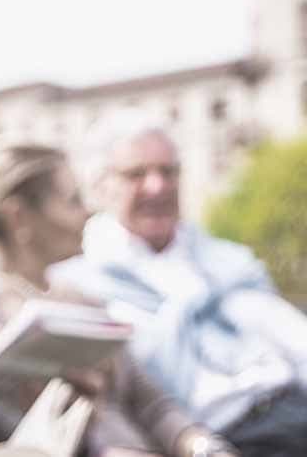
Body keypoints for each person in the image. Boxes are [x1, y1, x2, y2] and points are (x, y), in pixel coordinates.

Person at [0, 135, 236, 457]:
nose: (88, 212)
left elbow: (149, 399)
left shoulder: (76, 295)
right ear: (19, 217)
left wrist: (201, 446)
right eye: (73, 200)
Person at [56, 112, 307, 456]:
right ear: (101, 186)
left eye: (168, 171)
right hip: (218, 438)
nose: (158, 186)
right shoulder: (80, 285)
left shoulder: (226, 261)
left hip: (293, 403)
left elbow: (294, 338)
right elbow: (118, 403)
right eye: (136, 174)